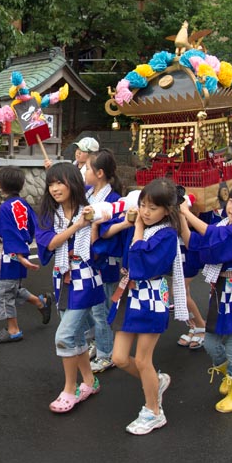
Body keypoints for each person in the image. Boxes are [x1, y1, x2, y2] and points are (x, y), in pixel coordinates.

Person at [110, 178, 188, 435]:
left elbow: (142, 263)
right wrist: (133, 226)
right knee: (119, 358)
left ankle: (154, 411)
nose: (145, 211)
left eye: (152, 208)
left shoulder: (167, 234)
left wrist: (139, 230)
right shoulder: (141, 225)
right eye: (143, 205)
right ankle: (156, 381)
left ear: (167, 210)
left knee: (144, 360)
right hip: (130, 295)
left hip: (152, 296)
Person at [182, 182, 232, 413]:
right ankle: (231, 376)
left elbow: (212, 235)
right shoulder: (224, 224)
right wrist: (182, 219)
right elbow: (197, 243)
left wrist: (187, 213)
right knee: (210, 341)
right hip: (222, 290)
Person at [35, 162, 104, 413]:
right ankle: (89, 381)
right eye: (51, 183)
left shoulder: (91, 210)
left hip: (85, 279)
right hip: (61, 278)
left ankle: (69, 389)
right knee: (74, 335)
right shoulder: (48, 213)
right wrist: (76, 226)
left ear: (73, 182)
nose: (55, 188)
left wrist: (93, 224)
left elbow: (106, 238)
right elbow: (50, 243)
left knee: (64, 336)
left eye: (60, 182)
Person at [0, 166, 52, 343]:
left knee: (4, 294)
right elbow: (33, 227)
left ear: (1, 185)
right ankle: (41, 303)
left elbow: (9, 234)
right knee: (13, 288)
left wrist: (20, 257)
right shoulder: (24, 204)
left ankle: (13, 330)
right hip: (20, 251)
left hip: (13, 255)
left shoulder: (5, 208)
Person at [85, 149, 124, 373]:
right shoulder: (89, 194)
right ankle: (97, 342)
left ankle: (105, 352)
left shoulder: (113, 200)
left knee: (101, 309)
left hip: (104, 260)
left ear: (99, 173)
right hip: (88, 257)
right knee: (90, 306)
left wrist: (96, 228)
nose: (84, 172)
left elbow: (111, 233)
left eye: (87, 168)